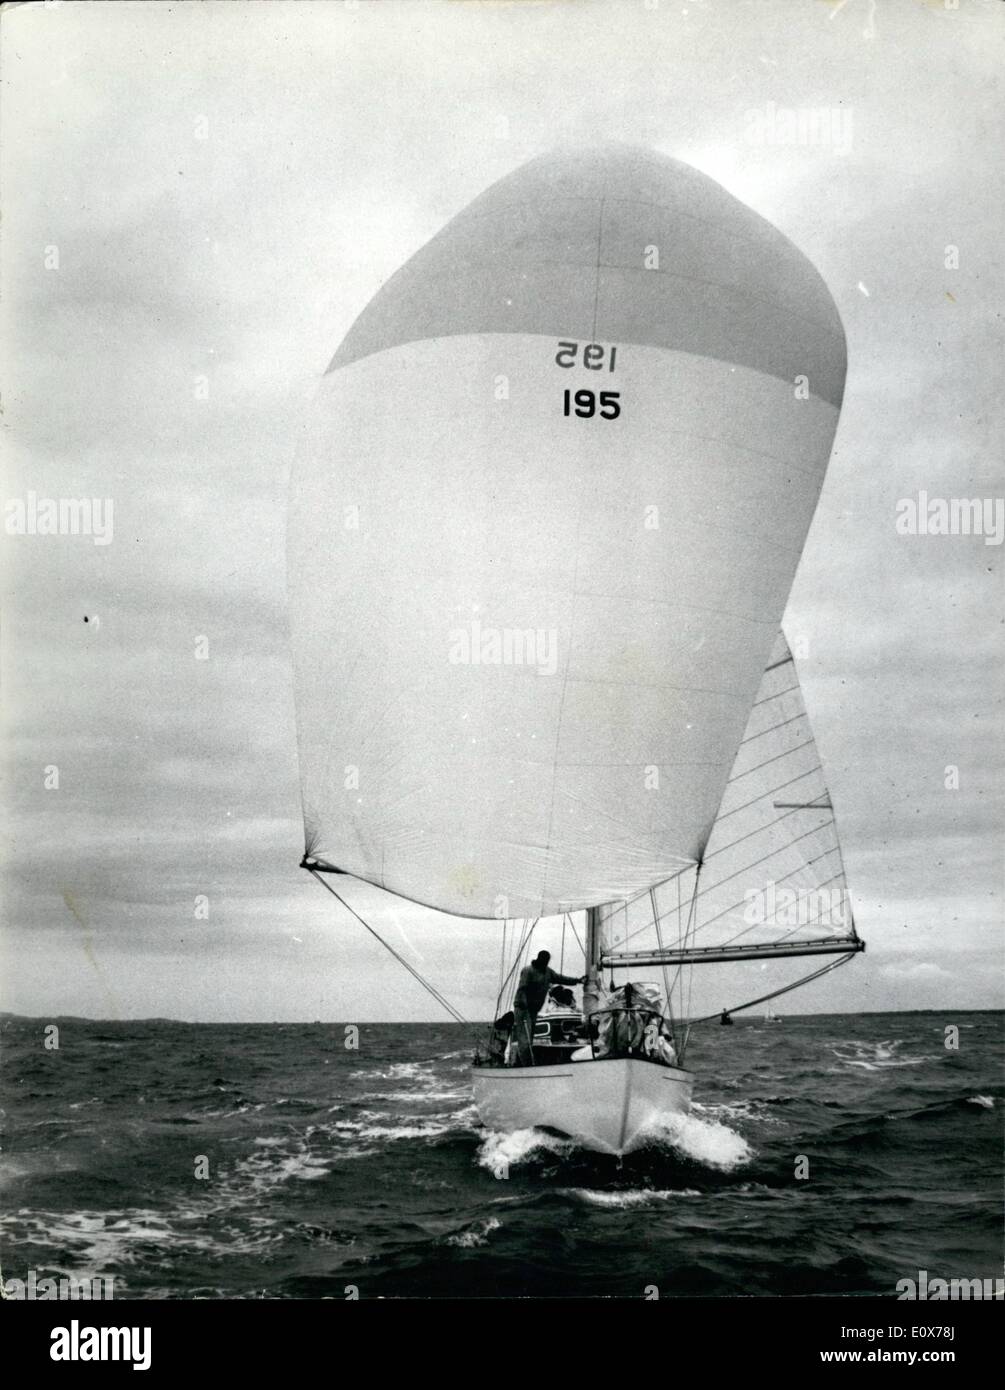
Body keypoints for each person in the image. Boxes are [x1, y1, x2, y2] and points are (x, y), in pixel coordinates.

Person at [510, 951, 585, 1066]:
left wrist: (578, 980)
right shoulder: (528, 971)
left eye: (547, 960)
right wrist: (524, 1003)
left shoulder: (548, 972)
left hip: (534, 1010)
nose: (545, 962)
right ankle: (526, 1066)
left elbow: (561, 978)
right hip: (523, 1009)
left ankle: (529, 1063)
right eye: (544, 960)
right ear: (539, 959)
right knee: (524, 1040)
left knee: (529, 1038)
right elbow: (522, 989)